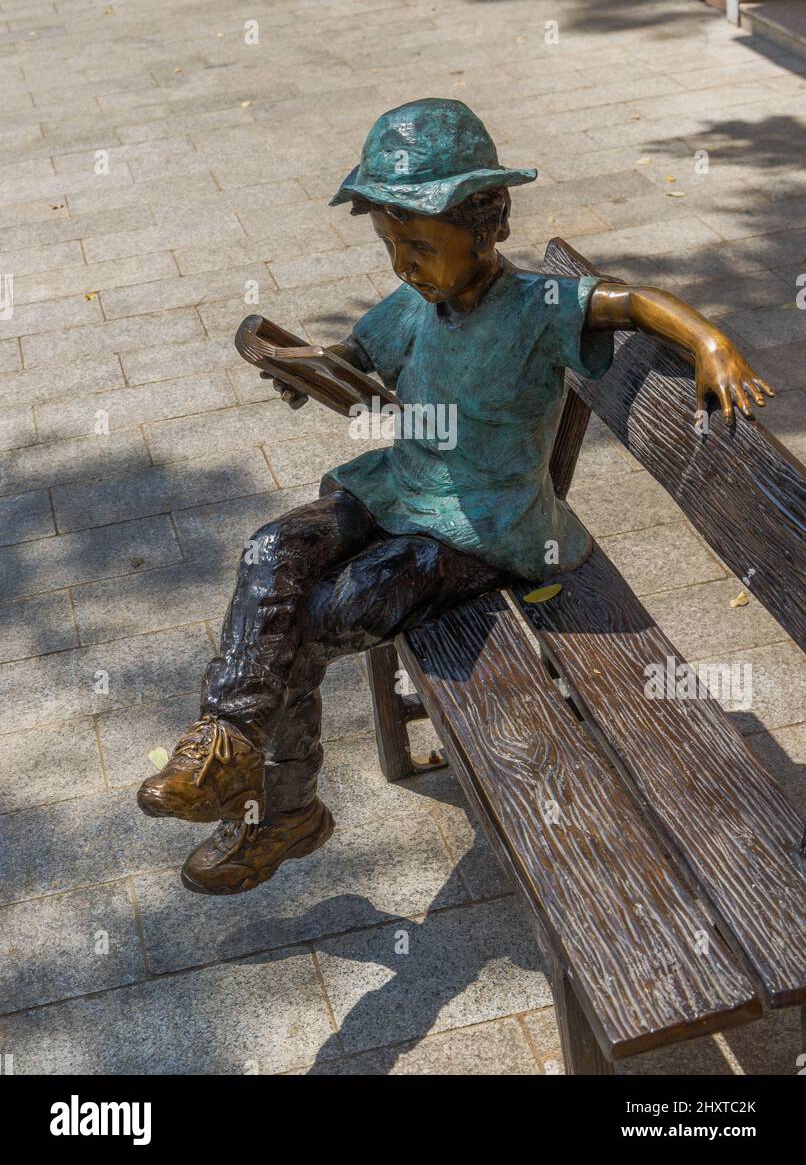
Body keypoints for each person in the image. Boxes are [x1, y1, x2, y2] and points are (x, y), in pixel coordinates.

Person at [136, 98, 773, 896]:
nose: (404, 263)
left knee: (328, 615)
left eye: (419, 244)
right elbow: (355, 355)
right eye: (391, 243)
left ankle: (274, 805)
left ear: (487, 222)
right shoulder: (413, 306)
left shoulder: (539, 308)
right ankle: (235, 748)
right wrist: (310, 371)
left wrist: (713, 345)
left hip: (482, 530)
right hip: (398, 488)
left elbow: (634, 302)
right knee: (271, 549)